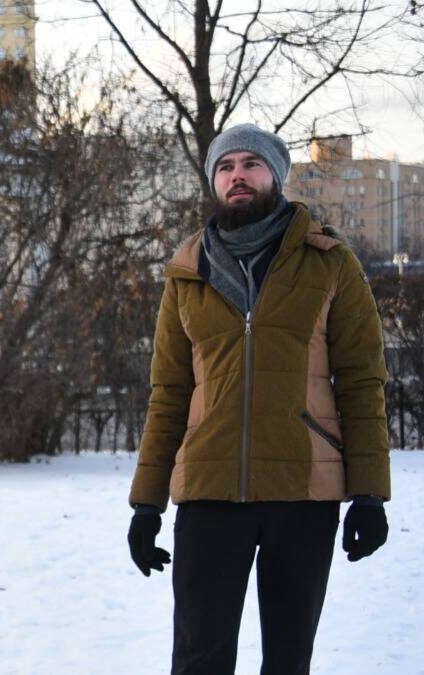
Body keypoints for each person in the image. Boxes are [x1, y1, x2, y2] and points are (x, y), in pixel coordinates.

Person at [126, 124, 391, 675]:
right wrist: (147, 504)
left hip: (302, 492)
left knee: (289, 660)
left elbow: (362, 381)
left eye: (250, 164)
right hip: (208, 493)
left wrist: (369, 494)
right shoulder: (187, 273)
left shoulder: (331, 262)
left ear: (276, 174)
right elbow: (169, 395)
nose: (237, 176)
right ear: (214, 183)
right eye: (225, 167)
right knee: (199, 659)